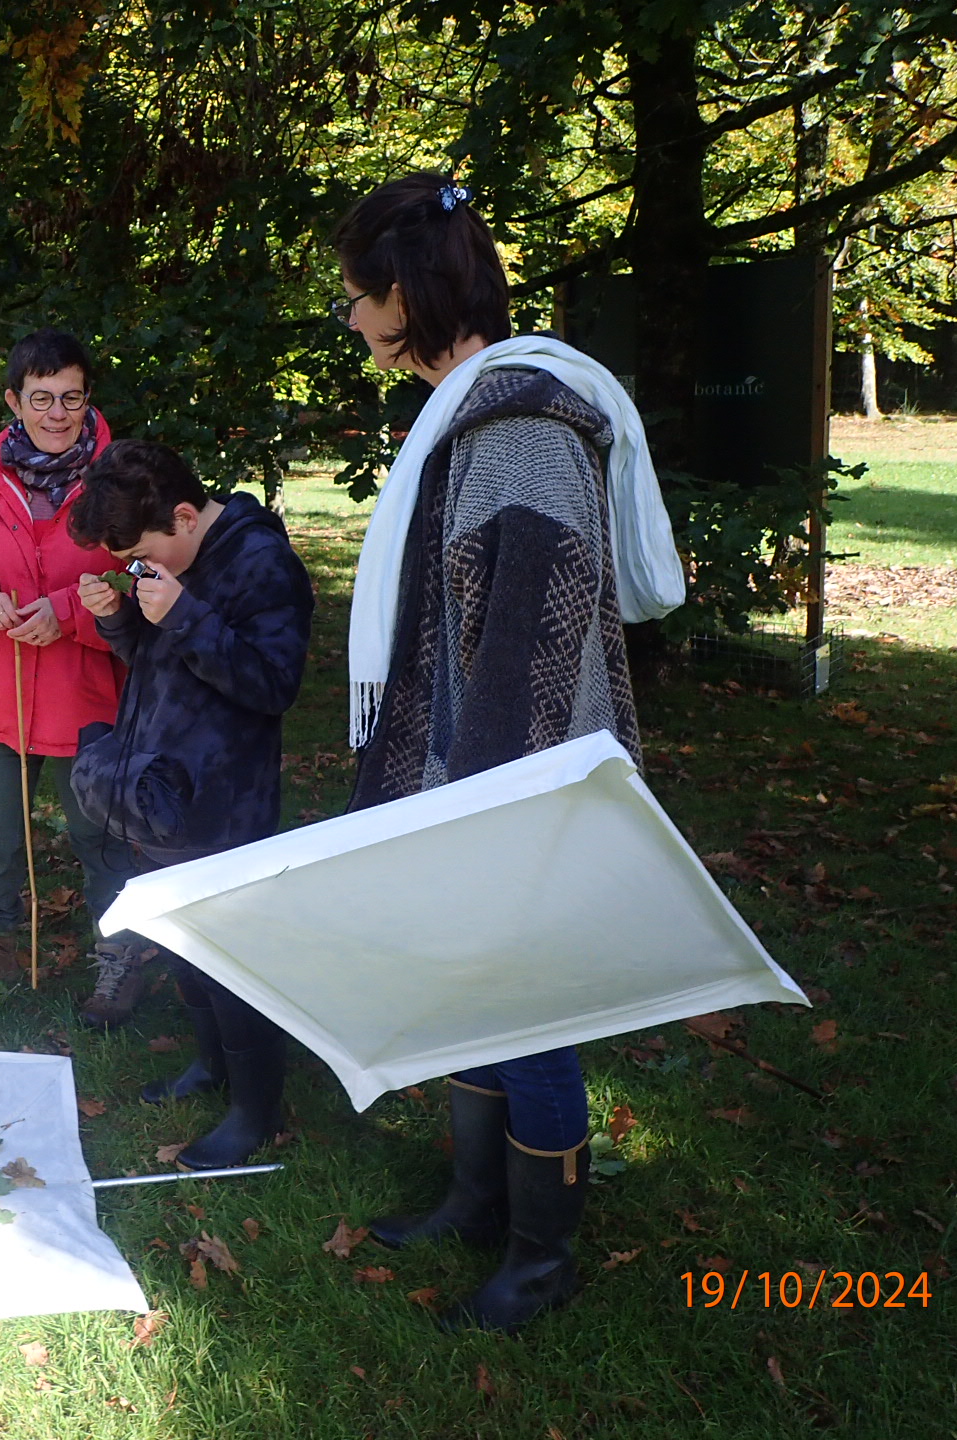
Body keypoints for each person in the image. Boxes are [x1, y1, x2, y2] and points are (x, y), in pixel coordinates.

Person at [332, 173, 656, 1332]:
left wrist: (486, 809)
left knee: (532, 1010)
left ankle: (541, 1252)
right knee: (480, 989)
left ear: (408, 293)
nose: (356, 327)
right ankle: (476, 1200)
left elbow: (535, 625)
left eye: (359, 300)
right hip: (476, 775)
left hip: (515, 784)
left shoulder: (518, 422)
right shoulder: (474, 407)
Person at [69, 440, 313, 1169]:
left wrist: (182, 615)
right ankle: (211, 1067)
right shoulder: (173, 556)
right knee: (185, 945)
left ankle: (255, 1111)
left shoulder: (261, 562)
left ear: (182, 514)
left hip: (224, 801)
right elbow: (160, 659)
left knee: (230, 958)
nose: (142, 565)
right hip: (163, 789)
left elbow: (274, 684)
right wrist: (120, 621)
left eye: (144, 552)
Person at [0, 329, 154, 1027]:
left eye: (71, 398)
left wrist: (68, 612)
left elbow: (141, 571)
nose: (57, 414)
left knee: (99, 837)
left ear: (89, 400)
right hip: (1, 693)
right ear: (13, 400)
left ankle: (120, 958)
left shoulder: (119, 477)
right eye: (41, 399)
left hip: (87, 695)